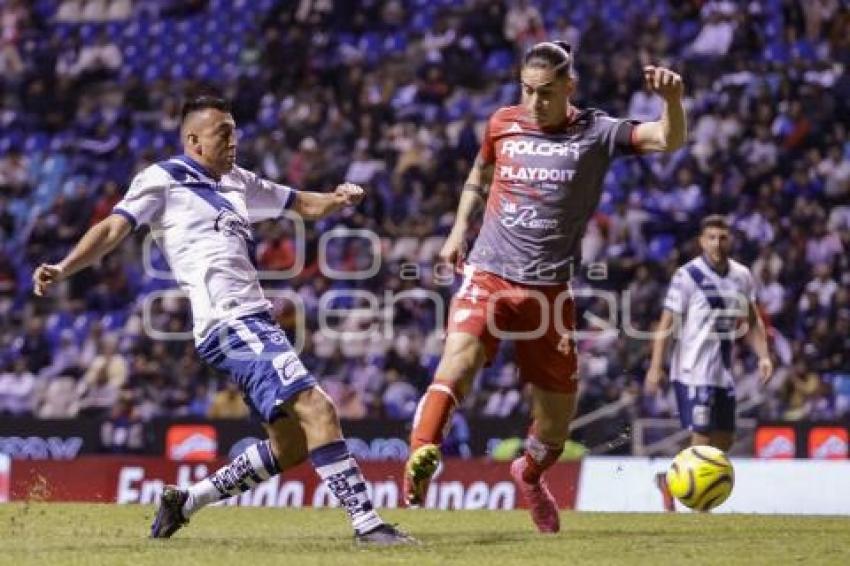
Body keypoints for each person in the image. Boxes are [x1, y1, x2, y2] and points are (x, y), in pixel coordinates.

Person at [33, 96, 414, 545]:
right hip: (230, 321)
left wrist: (337, 198)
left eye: (234, 130)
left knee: (290, 446)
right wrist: (64, 266)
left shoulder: (237, 181)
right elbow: (114, 228)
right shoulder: (163, 178)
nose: (234, 140)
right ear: (193, 139)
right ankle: (368, 525)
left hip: (253, 321)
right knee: (318, 408)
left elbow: (299, 204)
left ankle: (186, 501)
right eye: (223, 133)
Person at [403, 41, 687, 533]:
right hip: (488, 274)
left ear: (569, 88)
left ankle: (529, 474)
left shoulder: (597, 132)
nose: (534, 103)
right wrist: (456, 233)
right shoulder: (503, 122)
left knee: (554, 426)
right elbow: (481, 170)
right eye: (527, 91)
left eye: (546, 93)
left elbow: (667, 139)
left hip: (549, 294)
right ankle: (420, 462)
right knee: (459, 361)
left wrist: (673, 102)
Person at [644, 215, 773, 511]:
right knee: (701, 441)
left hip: (721, 373)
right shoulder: (687, 275)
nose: (717, 243)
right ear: (702, 241)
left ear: (731, 240)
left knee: (723, 442)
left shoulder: (741, 275)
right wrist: (655, 365)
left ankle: (669, 480)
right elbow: (666, 324)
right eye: (711, 237)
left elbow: (752, 320)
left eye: (723, 237)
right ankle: (698, 501)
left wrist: (764, 355)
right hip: (692, 370)